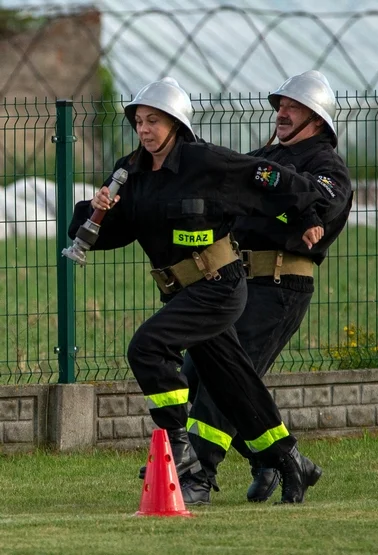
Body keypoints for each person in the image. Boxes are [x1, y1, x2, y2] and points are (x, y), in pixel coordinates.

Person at [68, 76, 331, 506]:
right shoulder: (130, 172)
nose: (144, 129)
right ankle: (290, 461)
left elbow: (265, 179)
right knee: (235, 384)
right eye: (138, 121)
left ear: (176, 123)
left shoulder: (205, 162)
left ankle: (181, 453)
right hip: (181, 292)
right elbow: (104, 232)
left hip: (219, 287)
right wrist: (95, 212)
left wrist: (307, 213)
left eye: (154, 120)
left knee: (147, 348)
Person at [180, 70, 353, 505]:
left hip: (280, 285)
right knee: (197, 375)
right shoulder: (264, 156)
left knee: (224, 380)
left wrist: (275, 205)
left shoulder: (326, 166)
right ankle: (283, 460)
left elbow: (320, 204)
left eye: (292, 107)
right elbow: (232, 193)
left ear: (316, 118)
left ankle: (198, 475)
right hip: (234, 282)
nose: (282, 113)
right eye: (280, 106)